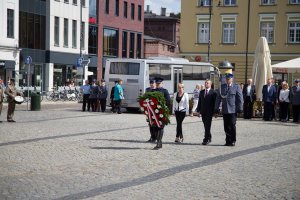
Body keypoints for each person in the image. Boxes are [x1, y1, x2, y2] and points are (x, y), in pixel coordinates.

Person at [215, 73, 243, 146]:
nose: (227, 80)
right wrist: (216, 108)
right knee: (226, 126)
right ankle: (228, 140)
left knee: (232, 125)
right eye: (226, 79)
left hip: (233, 110)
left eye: (229, 79)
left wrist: (240, 108)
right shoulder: (222, 87)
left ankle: (233, 140)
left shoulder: (236, 87)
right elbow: (218, 98)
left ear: (232, 79)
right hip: (225, 109)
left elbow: (240, 98)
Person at [196, 79, 217, 145]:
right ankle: (209, 137)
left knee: (208, 125)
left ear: (210, 84)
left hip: (210, 112)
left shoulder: (213, 92)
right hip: (203, 111)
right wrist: (198, 111)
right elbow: (200, 102)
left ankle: (206, 139)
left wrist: (215, 112)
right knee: (205, 125)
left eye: (207, 83)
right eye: (205, 83)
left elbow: (215, 103)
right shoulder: (202, 92)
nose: (206, 84)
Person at [153, 77, 171, 150]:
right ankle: (159, 142)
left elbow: (168, 101)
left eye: (159, 83)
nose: (157, 84)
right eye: (156, 83)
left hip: (162, 112)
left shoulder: (165, 91)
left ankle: (159, 142)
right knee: (155, 128)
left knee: (160, 127)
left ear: (162, 83)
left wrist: (164, 109)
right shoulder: (153, 91)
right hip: (154, 113)